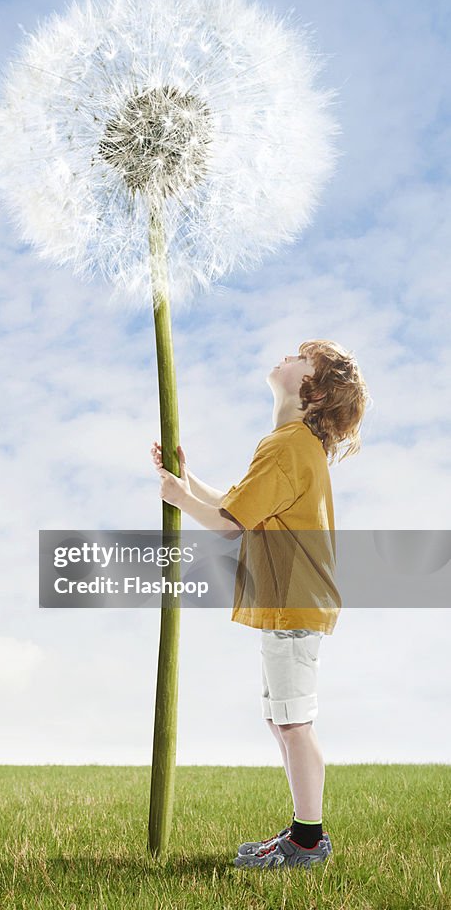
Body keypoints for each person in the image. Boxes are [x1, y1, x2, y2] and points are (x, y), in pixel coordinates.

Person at [152, 339, 370, 870]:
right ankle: (302, 830)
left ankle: (308, 840)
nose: (286, 357)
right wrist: (188, 482)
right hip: (292, 604)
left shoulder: (288, 446)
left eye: (300, 358)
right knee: (281, 720)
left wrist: (179, 498)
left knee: (294, 723)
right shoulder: (289, 445)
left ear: (311, 389)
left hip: (294, 604)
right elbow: (238, 503)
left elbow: (229, 526)